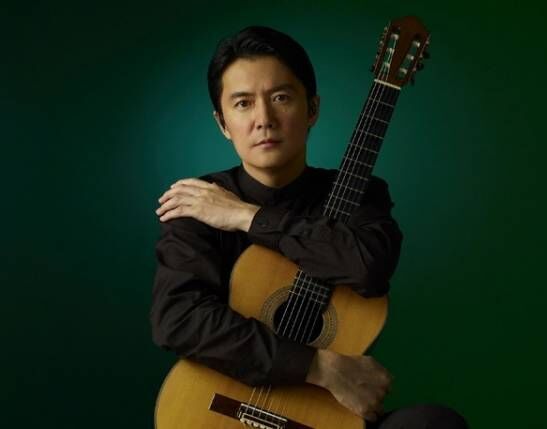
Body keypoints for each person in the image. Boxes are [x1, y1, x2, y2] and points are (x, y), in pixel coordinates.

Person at [150, 25, 468, 429]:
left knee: (434, 423)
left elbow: (367, 267)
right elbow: (179, 319)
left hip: (323, 418)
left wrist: (248, 217)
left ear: (312, 109)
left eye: (280, 98)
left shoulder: (363, 193)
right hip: (222, 409)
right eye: (243, 103)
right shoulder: (199, 202)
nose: (264, 120)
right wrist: (318, 367)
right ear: (223, 123)